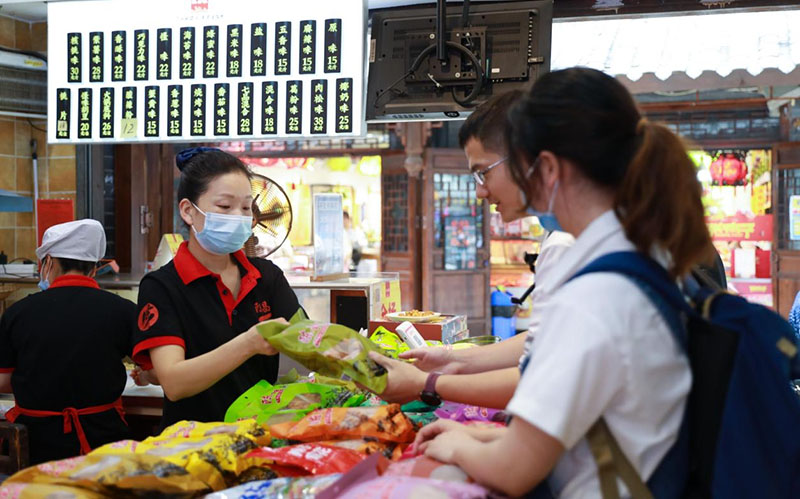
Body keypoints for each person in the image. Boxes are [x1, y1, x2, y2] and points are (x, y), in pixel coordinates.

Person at [413, 68, 716, 497]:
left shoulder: (595, 297)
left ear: (549, 168)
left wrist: (459, 444)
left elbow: (513, 469)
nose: (484, 191)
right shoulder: (639, 263)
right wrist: (484, 437)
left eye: (510, 165)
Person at [370, 90, 574, 408]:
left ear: (527, 159)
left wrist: (428, 383)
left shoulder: (568, 244)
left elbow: (546, 378)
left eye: (483, 172)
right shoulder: (559, 234)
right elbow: (544, 339)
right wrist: (452, 361)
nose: (480, 192)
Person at [131, 147, 301, 429]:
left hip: (259, 437)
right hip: (191, 446)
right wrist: (248, 343)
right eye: (225, 207)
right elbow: (174, 382)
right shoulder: (162, 286)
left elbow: (306, 338)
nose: (238, 216)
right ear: (188, 211)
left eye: (246, 207)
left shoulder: (266, 276)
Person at [0, 219, 139, 464]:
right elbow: (154, 371)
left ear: (49, 262)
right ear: (94, 268)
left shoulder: (17, 313)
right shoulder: (123, 311)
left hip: (35, 449)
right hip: (103, 446)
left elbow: (3, 381)